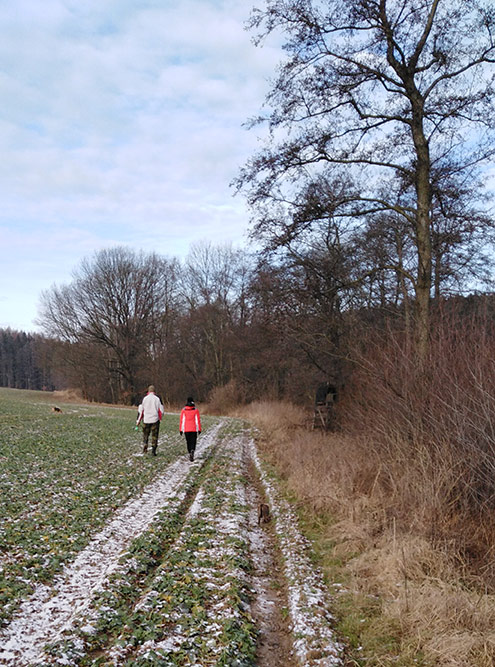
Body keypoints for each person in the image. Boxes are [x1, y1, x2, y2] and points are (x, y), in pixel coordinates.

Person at [136, 385, 164, 456]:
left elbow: (141, 410)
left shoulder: (144, 399)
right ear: (154, 391)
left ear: (148, 391)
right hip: (155, 419)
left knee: (145, 434)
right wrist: (160, 418)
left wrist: (138, 421)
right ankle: (153, 451)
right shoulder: (157, 399)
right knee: (154, 436)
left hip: (146, 419)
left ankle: (145, 444)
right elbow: (161, 410)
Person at [179, 396, 201, 461]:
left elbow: (182, 421)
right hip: (193, 429)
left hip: (186, 429)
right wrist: (199, 429)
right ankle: (192, 451)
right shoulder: (195, 410)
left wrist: (181, 429)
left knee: (188, 442)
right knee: (193, 442)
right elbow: (197, 421)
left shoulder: (184, 410)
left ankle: (189, 452)